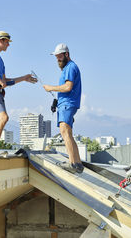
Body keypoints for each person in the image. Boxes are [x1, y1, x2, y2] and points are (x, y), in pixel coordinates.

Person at [0, 31, 37, 156]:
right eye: (8, 42)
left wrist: (24, 78)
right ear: (2, 40)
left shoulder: (1, 62)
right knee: (4, 117)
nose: (9, 45)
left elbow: (5, 82)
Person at [43, 43, 83, 174]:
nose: (57, 59)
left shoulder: (70, 67)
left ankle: (72, 163)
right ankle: (77, 163)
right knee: (68, 133)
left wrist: (50, 88)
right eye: (56, 57)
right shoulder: (68, 68)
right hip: (66, 103)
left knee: (64, 132)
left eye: (59, 56)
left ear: (66, 54)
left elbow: (67, 87)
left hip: (67, 104)